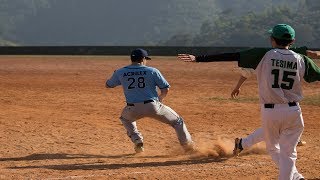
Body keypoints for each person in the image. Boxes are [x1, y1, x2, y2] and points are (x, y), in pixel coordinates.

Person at [230, 24, 320, 180]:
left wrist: (238, 86)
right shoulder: (288, 56)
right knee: (278, 141)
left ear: (272, 39)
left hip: (273, 109)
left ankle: (242, 144)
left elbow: (246, 71)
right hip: (292, 110)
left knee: (273, 137)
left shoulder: (264, 56)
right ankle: (243, 144)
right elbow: (247, 72)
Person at [105, 48, 194, 153]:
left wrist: (119, 76)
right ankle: (188, 147)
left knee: (126, 119)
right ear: (143, 59)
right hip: (153, 106)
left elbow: (108, 85)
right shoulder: (152, 71)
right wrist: (160, 98)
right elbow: (165, 88)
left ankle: (137, 140)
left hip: (132, 108)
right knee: (177, 122)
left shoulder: (120, 72)